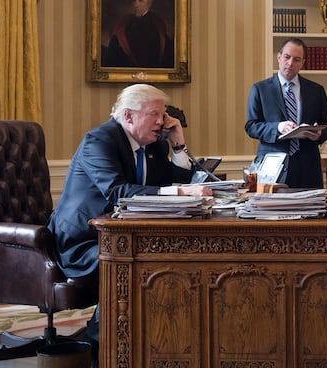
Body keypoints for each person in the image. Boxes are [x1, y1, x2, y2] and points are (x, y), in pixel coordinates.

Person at [48, 83, 213, 358]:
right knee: (134, 264)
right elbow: (117, 192)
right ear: (128, 116)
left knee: (169, 261)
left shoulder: (154, 146)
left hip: (124, 237)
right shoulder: (99, 140)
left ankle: (162, 342)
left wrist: (178, 143)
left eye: (163, 115)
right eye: (155, 115)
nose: (161, 122)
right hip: (83, 241)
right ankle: (102, 345)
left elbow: (174, 182)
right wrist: (181, 192)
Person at [245, 38, 327, 188]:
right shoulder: (260, 89)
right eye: (287, 57)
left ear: (303, 62)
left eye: (297, 59)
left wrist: (319, 134)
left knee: (311, 209)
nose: (290, 63)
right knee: (273, 210)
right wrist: (277, 127)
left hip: (308, 167)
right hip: (273, 167)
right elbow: (251, 126)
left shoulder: (316, 91)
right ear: (279, 57)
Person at [103, 0, 175, 68]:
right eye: (134, 0)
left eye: (140, 1)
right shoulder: (125, 24)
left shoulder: (158, 27)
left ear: (149, 3)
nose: (136, 5)